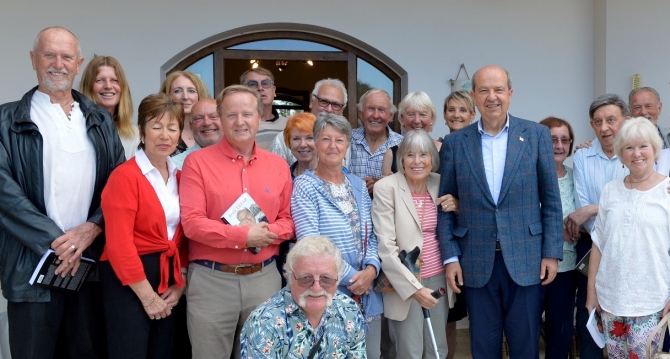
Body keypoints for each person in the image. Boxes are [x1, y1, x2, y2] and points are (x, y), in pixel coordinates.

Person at [0, 26, 125, 358]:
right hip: (32, 269)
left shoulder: (99, 120)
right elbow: (5, 194)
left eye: (66, 56)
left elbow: (119, 185)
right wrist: (57, 244)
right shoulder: (6, 120)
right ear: (33, 60)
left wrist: (92, 228)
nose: (58, 64)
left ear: (78, 63)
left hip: (89, 267)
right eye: (49, 55)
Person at [438, 65, 563, 358]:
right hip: (476, 260)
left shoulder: (535, 135)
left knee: (525, 346)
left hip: (527, 259)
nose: (491, 97)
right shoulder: (456, 143)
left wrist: (550, 253)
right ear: (474, 96)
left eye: (498, 89)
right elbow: (445, 204)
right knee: (483, 346)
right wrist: (451, 257)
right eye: (483, 90)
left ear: (510, 93)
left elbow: (551, 201)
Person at [180, 85, 294, 359]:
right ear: (220, 118)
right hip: (212, 281)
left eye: (247, 114)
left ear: (259, 117)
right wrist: (244, 237)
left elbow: (289, 221)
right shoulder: (197, 163)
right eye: (231, 115)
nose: (240, 122)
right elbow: (192, 224)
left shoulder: (277, 165)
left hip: (264, 280)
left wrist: (264, 234)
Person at [99, 93, 188, 358]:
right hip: (129, 279)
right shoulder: (124, 177)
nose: (165, 135)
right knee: (131, 350)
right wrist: (147, 296)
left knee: (162, 351)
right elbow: (119, 245)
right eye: (156, 126)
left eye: (172, 128)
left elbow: (182, 235)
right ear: (141, 131)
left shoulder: (181, 177)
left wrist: (180, 282)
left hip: (168, 274)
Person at [291, 113, 383, 358]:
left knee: (369, 353)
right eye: (325, 139)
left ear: (347, 145)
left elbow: (373, 234)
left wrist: (372, 270)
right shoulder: (304, 185)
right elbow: (310, 246)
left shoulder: (358, 185)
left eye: (340, 140)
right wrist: (355, 280)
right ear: (316, 144)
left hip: (367, 294)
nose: (333, 146)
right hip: (328, 292)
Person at [586, 117, 670, 358]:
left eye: (643, 146)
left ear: (655, 150)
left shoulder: (667, 192)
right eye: (629, 148)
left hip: (651, 302)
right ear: (621, 154)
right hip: (610, 299)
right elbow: (598, 244)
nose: (637, 154)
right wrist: (592, 293)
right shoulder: (610, 190)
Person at [373, 130, 453, 358]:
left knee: (436, 348)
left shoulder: (440, 183)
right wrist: (415, 289)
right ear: (401, 159)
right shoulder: (386, 187)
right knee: (410, 350)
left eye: (424, 155)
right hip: (404, 282)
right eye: (410, 155)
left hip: (438, 276)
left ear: (432, 160)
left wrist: (456, 204)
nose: (417, 161)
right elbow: (386, 248)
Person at [565, 93, 630, 359]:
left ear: (624, 120)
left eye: (611, 120)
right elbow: (582, 206)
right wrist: (593, 210)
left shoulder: (635, 154)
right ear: (591, 124)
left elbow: (631, 206)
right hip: (592, 244)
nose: (605, 128)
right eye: (598, 121)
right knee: (589, 309)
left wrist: (594, 208)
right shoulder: (582, 157)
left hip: (628, 246)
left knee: (625, 310)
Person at [240, 235, 367, 358]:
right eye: (306, 278)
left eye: (326, 278)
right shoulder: (264, 322)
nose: (316, 288)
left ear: (338, 278)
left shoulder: (349, 310)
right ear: (290, 277)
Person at [540, 116, 579, 358]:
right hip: (533, 267)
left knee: (560, 334)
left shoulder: (577, 176)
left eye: (565, 140)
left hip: (568, 268)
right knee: (526, 332)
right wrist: (556, 233)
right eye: (553, 139)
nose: (559, 145)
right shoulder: (529, 175)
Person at [269, 78, 347, 164]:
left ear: (342, 110)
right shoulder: (282, 140)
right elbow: (273, 175)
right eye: (324, 101)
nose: (329, 109)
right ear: (311, 101)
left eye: (336, 105)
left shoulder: (347, 142)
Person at [80, 55, 139, 160]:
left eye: (114, 80)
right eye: (100, 80)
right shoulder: (76, 127)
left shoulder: (133, 134)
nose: (108, 86)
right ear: (88, 86)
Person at [350, 89, 403, 195]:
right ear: (361, 113)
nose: (375, 115)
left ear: (391, 116)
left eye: (382, 110)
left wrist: (381, 185)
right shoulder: (347, 140)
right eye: (370, 109)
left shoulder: (402, 145)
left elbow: (410, 188)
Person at [381, 91, 441, 175]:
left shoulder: (444, 150)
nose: (417, 121)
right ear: (402, 119)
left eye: (423, 114)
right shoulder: (391, 154)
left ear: (432, 118)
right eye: (411, 114)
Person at [159, 70, 210, 155]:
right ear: (167, 96)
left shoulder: (211, 130)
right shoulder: (159, 131)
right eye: (177, 91)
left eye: (191, 91)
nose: (185, 97)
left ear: (200, 95)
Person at [240, 67, 287, 150]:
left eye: (265, 83)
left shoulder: (289, 125)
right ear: (242, 92)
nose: (260, 88)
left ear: (274, 91)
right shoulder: (238, 126)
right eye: (252, 84)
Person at [172, 98, 222, 170]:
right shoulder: (175, 165)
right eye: (199, 118)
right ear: (191, 125)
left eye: (213, 117)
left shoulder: (241, 158)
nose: (207, 123)